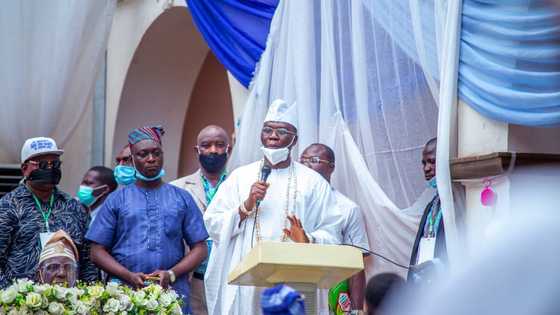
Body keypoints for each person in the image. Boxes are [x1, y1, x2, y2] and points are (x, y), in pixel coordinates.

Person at [204, 99, 342, 315]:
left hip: (296, 277)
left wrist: (308, 239)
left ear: (294, 140)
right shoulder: (240, 177)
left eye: (282, 131)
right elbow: (212, 223)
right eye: (267, 129)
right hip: (247, 280)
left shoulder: (313, 182)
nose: (273, 136)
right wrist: (245, 206)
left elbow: (332, 230)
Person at [86, 126, 208, 314]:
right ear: (133, 159)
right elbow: (96, 251)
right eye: (143, 154)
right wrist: (128, 276)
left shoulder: (181, 197)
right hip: (124, 296)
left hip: (172, 295)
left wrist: (172, 274)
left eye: (156, 153)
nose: (151, 159)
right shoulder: (117, 199)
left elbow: (200, 247)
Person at [0, 137, 97, 288]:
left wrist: (88, 296)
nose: (50, 169)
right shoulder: (7, 207)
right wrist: (10, 299)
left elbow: (88, 259)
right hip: (22, 304)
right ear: (25, 169)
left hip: (69, 302)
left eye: (55, 164)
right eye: (43, 164)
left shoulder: (74, 208)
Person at [300, 143, 370, 312]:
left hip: (331, 296)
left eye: (313, 160)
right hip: (296, 291)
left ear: (331, 167)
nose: (305, 165)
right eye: (301, 161)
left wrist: (356, 310)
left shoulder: (347, 208)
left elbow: (356, 265)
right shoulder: (291, 205)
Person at [170, 125, 231, 315]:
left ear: (228, 149)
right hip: (193, 278)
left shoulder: (241, 184)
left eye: (219, 145)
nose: (213, 150)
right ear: (197, 150)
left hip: (229, 276)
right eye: (206, 145)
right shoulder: (177, 189)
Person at [408, 138, 446, 282]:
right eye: (424, 163)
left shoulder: (456, 203)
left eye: (432, 161)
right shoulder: (432, 205)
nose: (426, 168)